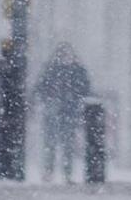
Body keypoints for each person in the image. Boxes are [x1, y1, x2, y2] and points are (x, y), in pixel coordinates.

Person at [34, 42, 90, 183]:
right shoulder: (55, 70)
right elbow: (40, 88)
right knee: (53, 143)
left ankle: (64, 173)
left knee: (65, 144)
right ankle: (51, 172)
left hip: (67, 112)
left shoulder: (71, 71)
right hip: (57, 111)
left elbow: (85, 88)